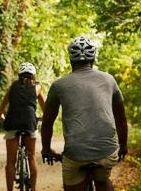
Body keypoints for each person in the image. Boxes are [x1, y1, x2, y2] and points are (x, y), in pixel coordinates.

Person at [41, 36, 128, 191]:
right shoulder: (109, 80)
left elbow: (47, 122)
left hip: (75, 153)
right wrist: (123, 146)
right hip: (106, 151)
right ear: (93, 59)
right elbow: (121, 118)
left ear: (71, 61)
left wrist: (46, 149)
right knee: (103, 180)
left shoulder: (59, 85)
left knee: (73, 182)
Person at [0, 62, 46, 191]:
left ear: (19, 75)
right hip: (30, 123)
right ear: (33, 75)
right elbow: (44, 107)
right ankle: (33, 189)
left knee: (11, 161)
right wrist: (44, 117)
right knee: (31, 157)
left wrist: (0, 115)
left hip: (12, 122)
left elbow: (3, 105)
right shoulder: (37, 87)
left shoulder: (13, 86)